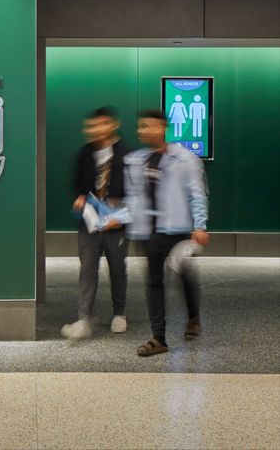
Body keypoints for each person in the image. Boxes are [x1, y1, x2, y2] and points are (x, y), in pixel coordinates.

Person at [124, 109, 209, 356]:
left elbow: (197, 194)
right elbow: (133, 198)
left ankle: (193, 316)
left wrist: (200, 225)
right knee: (154, 283)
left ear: (162, 128)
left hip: (179, 229)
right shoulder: (135, 160)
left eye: (147, 126)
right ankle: (158, 338)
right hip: (149, 232)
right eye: (140, 126)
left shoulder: (186, 159)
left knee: (185, 276)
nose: (141, 131)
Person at [61, 107, 129, 340]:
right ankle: (85, 317)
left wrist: (119, 215)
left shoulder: (127, 155)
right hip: (89, 223)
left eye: (100, 125)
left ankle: (119, 313)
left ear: (112, 125)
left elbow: (135, 193)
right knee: (87, 269)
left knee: (117, 269)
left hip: (116, 224)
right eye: (91, 126)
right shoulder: (83, 154)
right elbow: (78, 185)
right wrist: (79, 197)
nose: (94, 130)